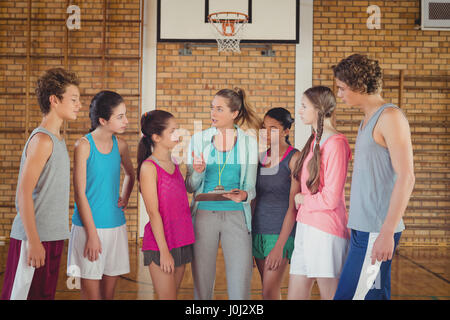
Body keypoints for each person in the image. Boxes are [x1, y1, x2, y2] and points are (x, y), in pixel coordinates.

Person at [332, 54, 415, 300]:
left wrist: (387, 232)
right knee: (374, 296)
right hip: (364, 228)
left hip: (376, 231)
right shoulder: (367, 119)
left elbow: (407, 177)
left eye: (342, 88)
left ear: (359, 86)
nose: (339, 94)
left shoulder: (390, 117)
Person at [1, 68, 81, 300]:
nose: (79, 105)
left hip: (52, 237)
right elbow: (23, 195)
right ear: (54, 100)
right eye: (73, 99)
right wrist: (34, 241)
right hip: (32, 239)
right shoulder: (42, 140)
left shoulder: (57, 139)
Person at [186, 87, 260, 300]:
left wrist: (244, 195)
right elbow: (190, 186)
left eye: (219, 109)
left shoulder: (248, 143)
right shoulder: (199, 140)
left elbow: (251, 187)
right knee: (202, 281)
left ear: (234, 113)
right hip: (203, 216)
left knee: (240, 283)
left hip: (237, 215)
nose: (213, 113)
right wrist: (198, 173)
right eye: (212, 108)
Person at [68, 90, 135, 300]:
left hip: (116, 227)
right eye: (120, 116)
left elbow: (131, 175)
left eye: (125, 115)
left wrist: (124, 198)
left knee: (108, 296)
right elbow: (79, 194)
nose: (126, 120)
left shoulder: (121, 146)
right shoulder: (83, 146)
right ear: (103, 120)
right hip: (88, 230)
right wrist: (92, 235)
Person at [287, 86, 352, 300]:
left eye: (304, 106)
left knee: (330, 295)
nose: (299, 110)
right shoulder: (314, 140)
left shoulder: (336, 144)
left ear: (319, 109)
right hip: (306, 226)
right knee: (295, 293)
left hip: (326, 230)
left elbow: (331, 198)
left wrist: (303, 199)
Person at [138, 110, 195, 300]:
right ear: (156, 137)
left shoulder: (176, 162)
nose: (177, 134)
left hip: (181, 239)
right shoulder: (148, 167)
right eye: (172, 131)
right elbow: (153, 213)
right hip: (161, 244)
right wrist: (164, 252)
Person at [252, 107, 300, 300]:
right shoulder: (261, 157)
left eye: (273, 128)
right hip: (258, 231)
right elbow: (254, 199)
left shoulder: (294, 158)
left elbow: (293, 207)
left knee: (269, 291)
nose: (266, 133)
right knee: (268, 291)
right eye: (264, 128)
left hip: (280, 233)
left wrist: (280, 245)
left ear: (286, 131)